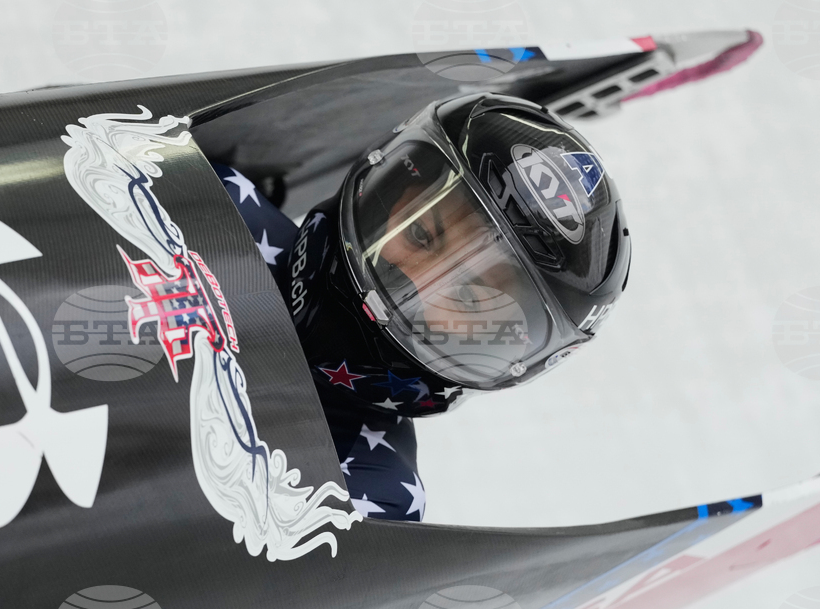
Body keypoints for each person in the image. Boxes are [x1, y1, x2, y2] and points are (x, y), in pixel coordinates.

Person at [212, 93, 631, 522]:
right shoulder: (218, 198)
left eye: (468, 294)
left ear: (489, 339)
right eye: (419, 234)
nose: (412, 279)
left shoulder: (368, 493)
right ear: (386, 191)